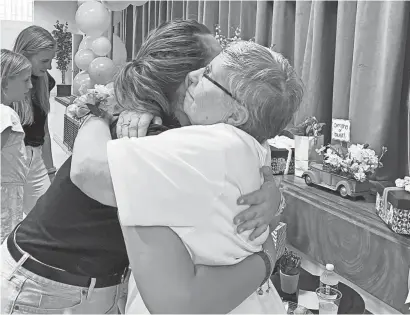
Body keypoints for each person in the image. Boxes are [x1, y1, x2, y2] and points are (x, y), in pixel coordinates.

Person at [0, 20, 282, 314]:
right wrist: (98, 113)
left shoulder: (188, 132)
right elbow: (88, 172)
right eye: (214, 69)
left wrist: (272, 191)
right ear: (191, 78)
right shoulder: (146, 131)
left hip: (90, 284)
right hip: (45, 284)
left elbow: (252, 156)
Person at [76, 41, 303, 313]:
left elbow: (88, 170)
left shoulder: (213, 145)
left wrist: (94, 113)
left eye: (207, 73)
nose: (192, 76)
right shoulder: (252, 143)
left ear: (236, 113)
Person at [13, 25, 57, 214]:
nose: (49, 67)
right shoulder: (5, 83)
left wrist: (50, 169)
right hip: (10, 158)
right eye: (44, 61)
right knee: (7, 222)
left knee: (45, 215)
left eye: (51, 60)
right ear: (24, 55)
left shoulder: (46, 81)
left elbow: (44, 131)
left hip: (36, 158)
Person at [1, 49, 33, 243]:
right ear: (5, 82)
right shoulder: (5, 114)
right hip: (5, 191)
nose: (30, 86)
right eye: (25, 80)